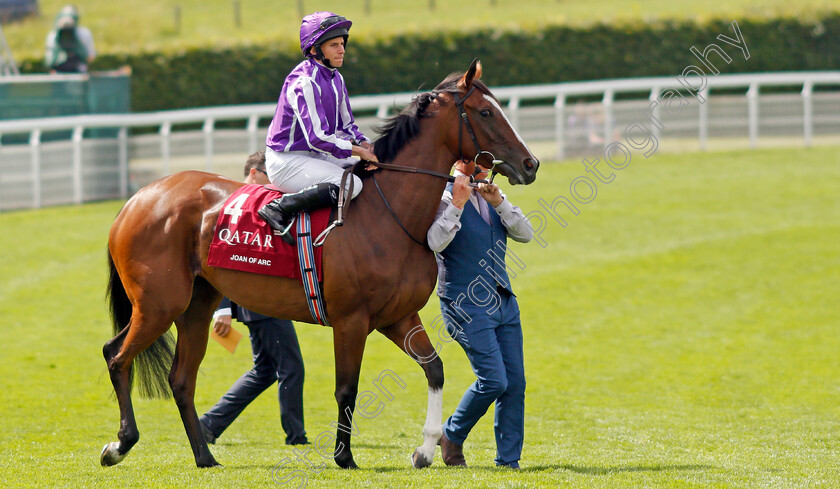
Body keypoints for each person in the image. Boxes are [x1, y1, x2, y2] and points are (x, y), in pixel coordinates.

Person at [427, 159, 534, 469]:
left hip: (503, 301)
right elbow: (435, 242)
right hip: (465, 303)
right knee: (493, 381)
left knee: (515, 383)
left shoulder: (490, 195)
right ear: (461, 164)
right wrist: (458, 204)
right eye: (481, 161)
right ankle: (451, 434)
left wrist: (500, 202)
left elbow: (525, 233)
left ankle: (508, 461)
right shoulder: (443, 197)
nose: (488, 167)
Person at [199, 151, 308, 446]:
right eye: (269, 174)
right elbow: (222, 257)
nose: (275, 181)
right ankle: (296, 437)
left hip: (265, 297)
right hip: (260, 299)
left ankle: (208, 425)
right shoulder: (242, 203)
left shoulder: (262, 200)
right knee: (290, 367)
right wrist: (221, 309)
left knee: (265, 370)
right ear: (253, 173)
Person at [258, 11, 378, 244]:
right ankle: (279, 209)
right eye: (334, 45)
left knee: (371, 169)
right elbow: (317, 137)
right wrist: (360, 152)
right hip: (286, 161)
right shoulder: (303, 82)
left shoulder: (336, 78)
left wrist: (365, 144)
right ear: (314, 50)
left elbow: (347, 125)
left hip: (315, 155)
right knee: (353, 184)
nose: (341, 50)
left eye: (342, 44)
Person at [44, 5, 96, 73]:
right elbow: (90, 57)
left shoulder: (51, 35)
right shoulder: (53, 36)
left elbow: (49, 60)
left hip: (78, 72)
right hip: (62, 73)